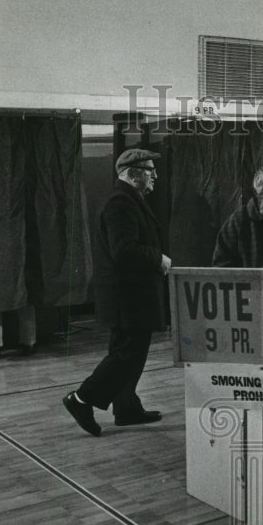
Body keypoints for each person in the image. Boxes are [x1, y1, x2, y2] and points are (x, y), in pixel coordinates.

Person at [62, 148, 171, 437]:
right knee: (126, 355)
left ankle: (126, 407)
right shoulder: (121, 202)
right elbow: (123, 250)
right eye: (150, 170)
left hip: (130, 296)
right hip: (129, 297)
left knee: (130, 353)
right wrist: (157, 258)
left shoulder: (127, 199)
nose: (155, 176)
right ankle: (81, 398)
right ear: (134, 174)